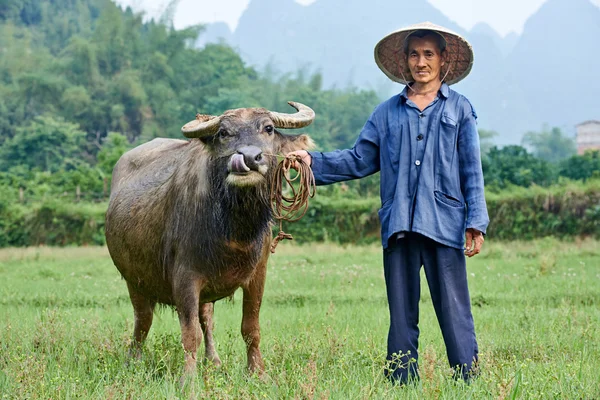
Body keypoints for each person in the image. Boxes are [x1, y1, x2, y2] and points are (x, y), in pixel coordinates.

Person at [288, 22, 489, 384]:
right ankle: (401, 382)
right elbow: (359, 159)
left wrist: (476, 220)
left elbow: (471, 170)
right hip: (399, 224)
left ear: (443, 60)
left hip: (444, 223)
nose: (421, 62)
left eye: (429, 54)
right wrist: (312, 162)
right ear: (405, 60)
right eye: (414, 54)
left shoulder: (460, 109)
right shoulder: (386, 113)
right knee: (401, 312)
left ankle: (467, 380)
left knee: (454, 309)